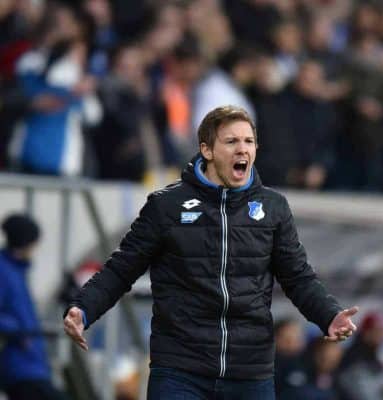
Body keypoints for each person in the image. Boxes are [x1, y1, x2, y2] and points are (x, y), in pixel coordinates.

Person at [63, 105, 359, 400]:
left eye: (248, 141)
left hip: (249, 373)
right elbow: (122, 268)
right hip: (181, 370)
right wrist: (84, 308)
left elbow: (298, 277)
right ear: (207, 150)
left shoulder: (273, 208)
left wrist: (329, 315)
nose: (242, 149)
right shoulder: (167, 206)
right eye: (231, 141)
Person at [0, 214, 68, 400]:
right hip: (20, 365)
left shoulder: (16, 271)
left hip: (31, 366)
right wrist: (20, 332)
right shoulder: (6, 271)